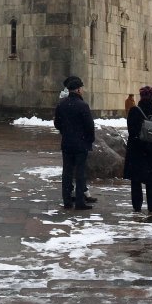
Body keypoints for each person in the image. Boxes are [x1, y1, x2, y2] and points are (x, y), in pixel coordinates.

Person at [54, 75, 95, 210]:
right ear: (77, 90)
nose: (82, 90)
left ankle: (67, 201)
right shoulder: (83, 106)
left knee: (67, 172)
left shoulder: (62, 105)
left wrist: (66, 132)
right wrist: (89, 139)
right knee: (80, 173)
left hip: (67, 142)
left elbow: (57, 123)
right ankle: (79, 202)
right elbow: (89, 126)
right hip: (81, 144)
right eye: (81, 88)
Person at [124, 86, 152, 213]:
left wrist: (139, 142)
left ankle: (137, 205)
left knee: (136, 180)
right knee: (151, 180)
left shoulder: (134, 111)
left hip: (136, 151)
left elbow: (131, 131)